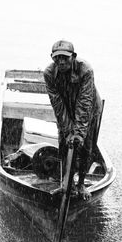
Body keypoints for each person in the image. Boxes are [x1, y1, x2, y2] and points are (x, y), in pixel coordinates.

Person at [43, 40, 102, 200]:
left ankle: (81, 184)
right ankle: (66, 182)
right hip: (66, 108)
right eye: (57, 58)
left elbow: (85, 102)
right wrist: (69, 132)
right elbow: (57, 104)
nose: (61, 62)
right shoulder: (49, 73)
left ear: (73, 57)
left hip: (89, 109)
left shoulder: (86, 70)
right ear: (52, 58)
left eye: (65, 57)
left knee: (85, 146)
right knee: (64, 143)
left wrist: (79, 134)